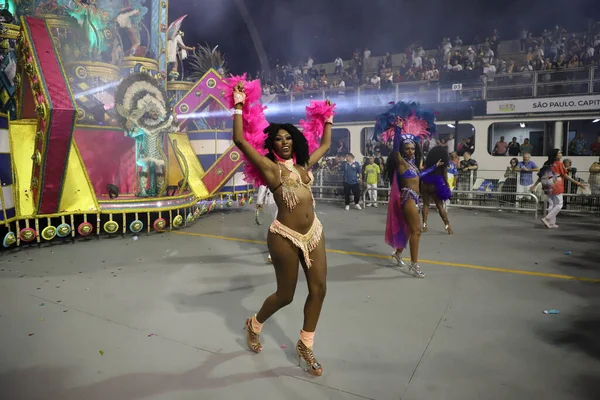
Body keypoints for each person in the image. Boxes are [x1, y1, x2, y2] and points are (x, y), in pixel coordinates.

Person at [226, 76, 334, 376]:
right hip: (284, 237)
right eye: (278, 139)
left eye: (288, 138)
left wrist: (327, 117)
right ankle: (255, 323)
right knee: (285, 295)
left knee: (320, 289)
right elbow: (239, 140)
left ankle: (305, 344)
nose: (284, 142)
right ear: (271, 144)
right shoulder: (270, 168)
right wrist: (238, 106)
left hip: (314, 233)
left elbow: (325, 144)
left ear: (295, 141)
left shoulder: (303, 166)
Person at [375, 101, 436, 278]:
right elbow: (395, 151)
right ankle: (414, 265)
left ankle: (398, 253)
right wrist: (399, 130)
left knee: (409, 230)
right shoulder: (401, 164)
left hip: (415, 199)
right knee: (416, 230)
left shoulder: (414, 165)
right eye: (407, 149)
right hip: (407, 198)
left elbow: (421, 176)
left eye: (412, 148)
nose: (410, 151)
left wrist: (434, 167)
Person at [531, 149, 586, 228]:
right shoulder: (559, 164)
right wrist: (577, 183)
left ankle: (551, 223)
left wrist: (535, 185)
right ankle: (547, 218)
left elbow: (540, 176)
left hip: (546, 185)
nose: (561, 154)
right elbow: (565, 175)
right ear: (555, 155)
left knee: (552, 204)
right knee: (559, 204)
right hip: (556, 184)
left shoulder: (546, 164)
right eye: (559, 153)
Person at [420, 146, 453, 234]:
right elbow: (444, 175)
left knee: (425, 204)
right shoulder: (442, 163)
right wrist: (447, 186)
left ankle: (424, 224)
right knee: (440, 205)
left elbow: (424, 169)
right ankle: (447, 225)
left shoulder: (428, 161)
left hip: (425, 182)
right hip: (436, 183)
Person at [255, 185, 277, 262]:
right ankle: (273, 252)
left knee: (277, 223)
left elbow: (263, 184)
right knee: (278, 225)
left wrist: (259, 201)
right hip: (279, 199)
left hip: (271, 199)